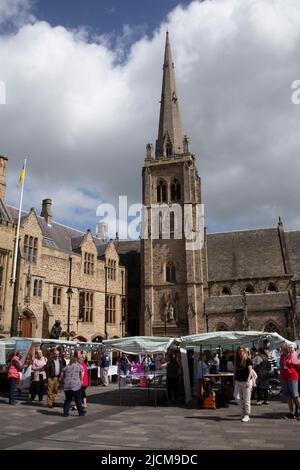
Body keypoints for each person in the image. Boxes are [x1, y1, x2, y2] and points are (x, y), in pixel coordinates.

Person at [280, 342, 300, 420]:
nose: (281, 350)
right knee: (288, 396)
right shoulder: (282, 356)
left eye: (282, 348)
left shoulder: (293, 356)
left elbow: (298, 367)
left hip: (292, 378)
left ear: (285, 348)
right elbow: (281, 366)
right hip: (284, 378)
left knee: (295, 395)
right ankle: (291, 412)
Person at [234, 346, 253, 423]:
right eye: (239, 352)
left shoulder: (248, 360)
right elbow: (235, 371)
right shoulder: (237, 360)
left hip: (246, 381)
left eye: (242, 351)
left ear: (245, 352)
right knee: (236, 397)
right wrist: (234, 380)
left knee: (246, 398)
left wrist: (248, 381)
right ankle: (243, 409)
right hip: (238, 381)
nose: (241, 353)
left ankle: (247, 415)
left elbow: (250, 371)